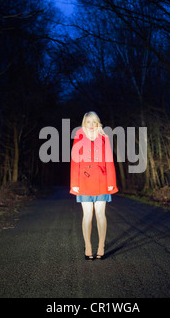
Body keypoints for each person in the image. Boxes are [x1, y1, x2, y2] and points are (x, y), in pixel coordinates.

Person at [70, 111, 118, 260]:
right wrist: (74, 183)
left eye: (94, 122)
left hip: (101, 181)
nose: (91, 125)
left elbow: (109, 161)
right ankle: (88, 246)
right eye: (88, 122)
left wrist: (111, 182)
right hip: (83, 182)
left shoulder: (104, 138)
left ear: (98, 123)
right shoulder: (78, 136)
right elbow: (75, 161)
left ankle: (101, 246)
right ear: (84, 123)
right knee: (87, 216)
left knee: (100, 214)